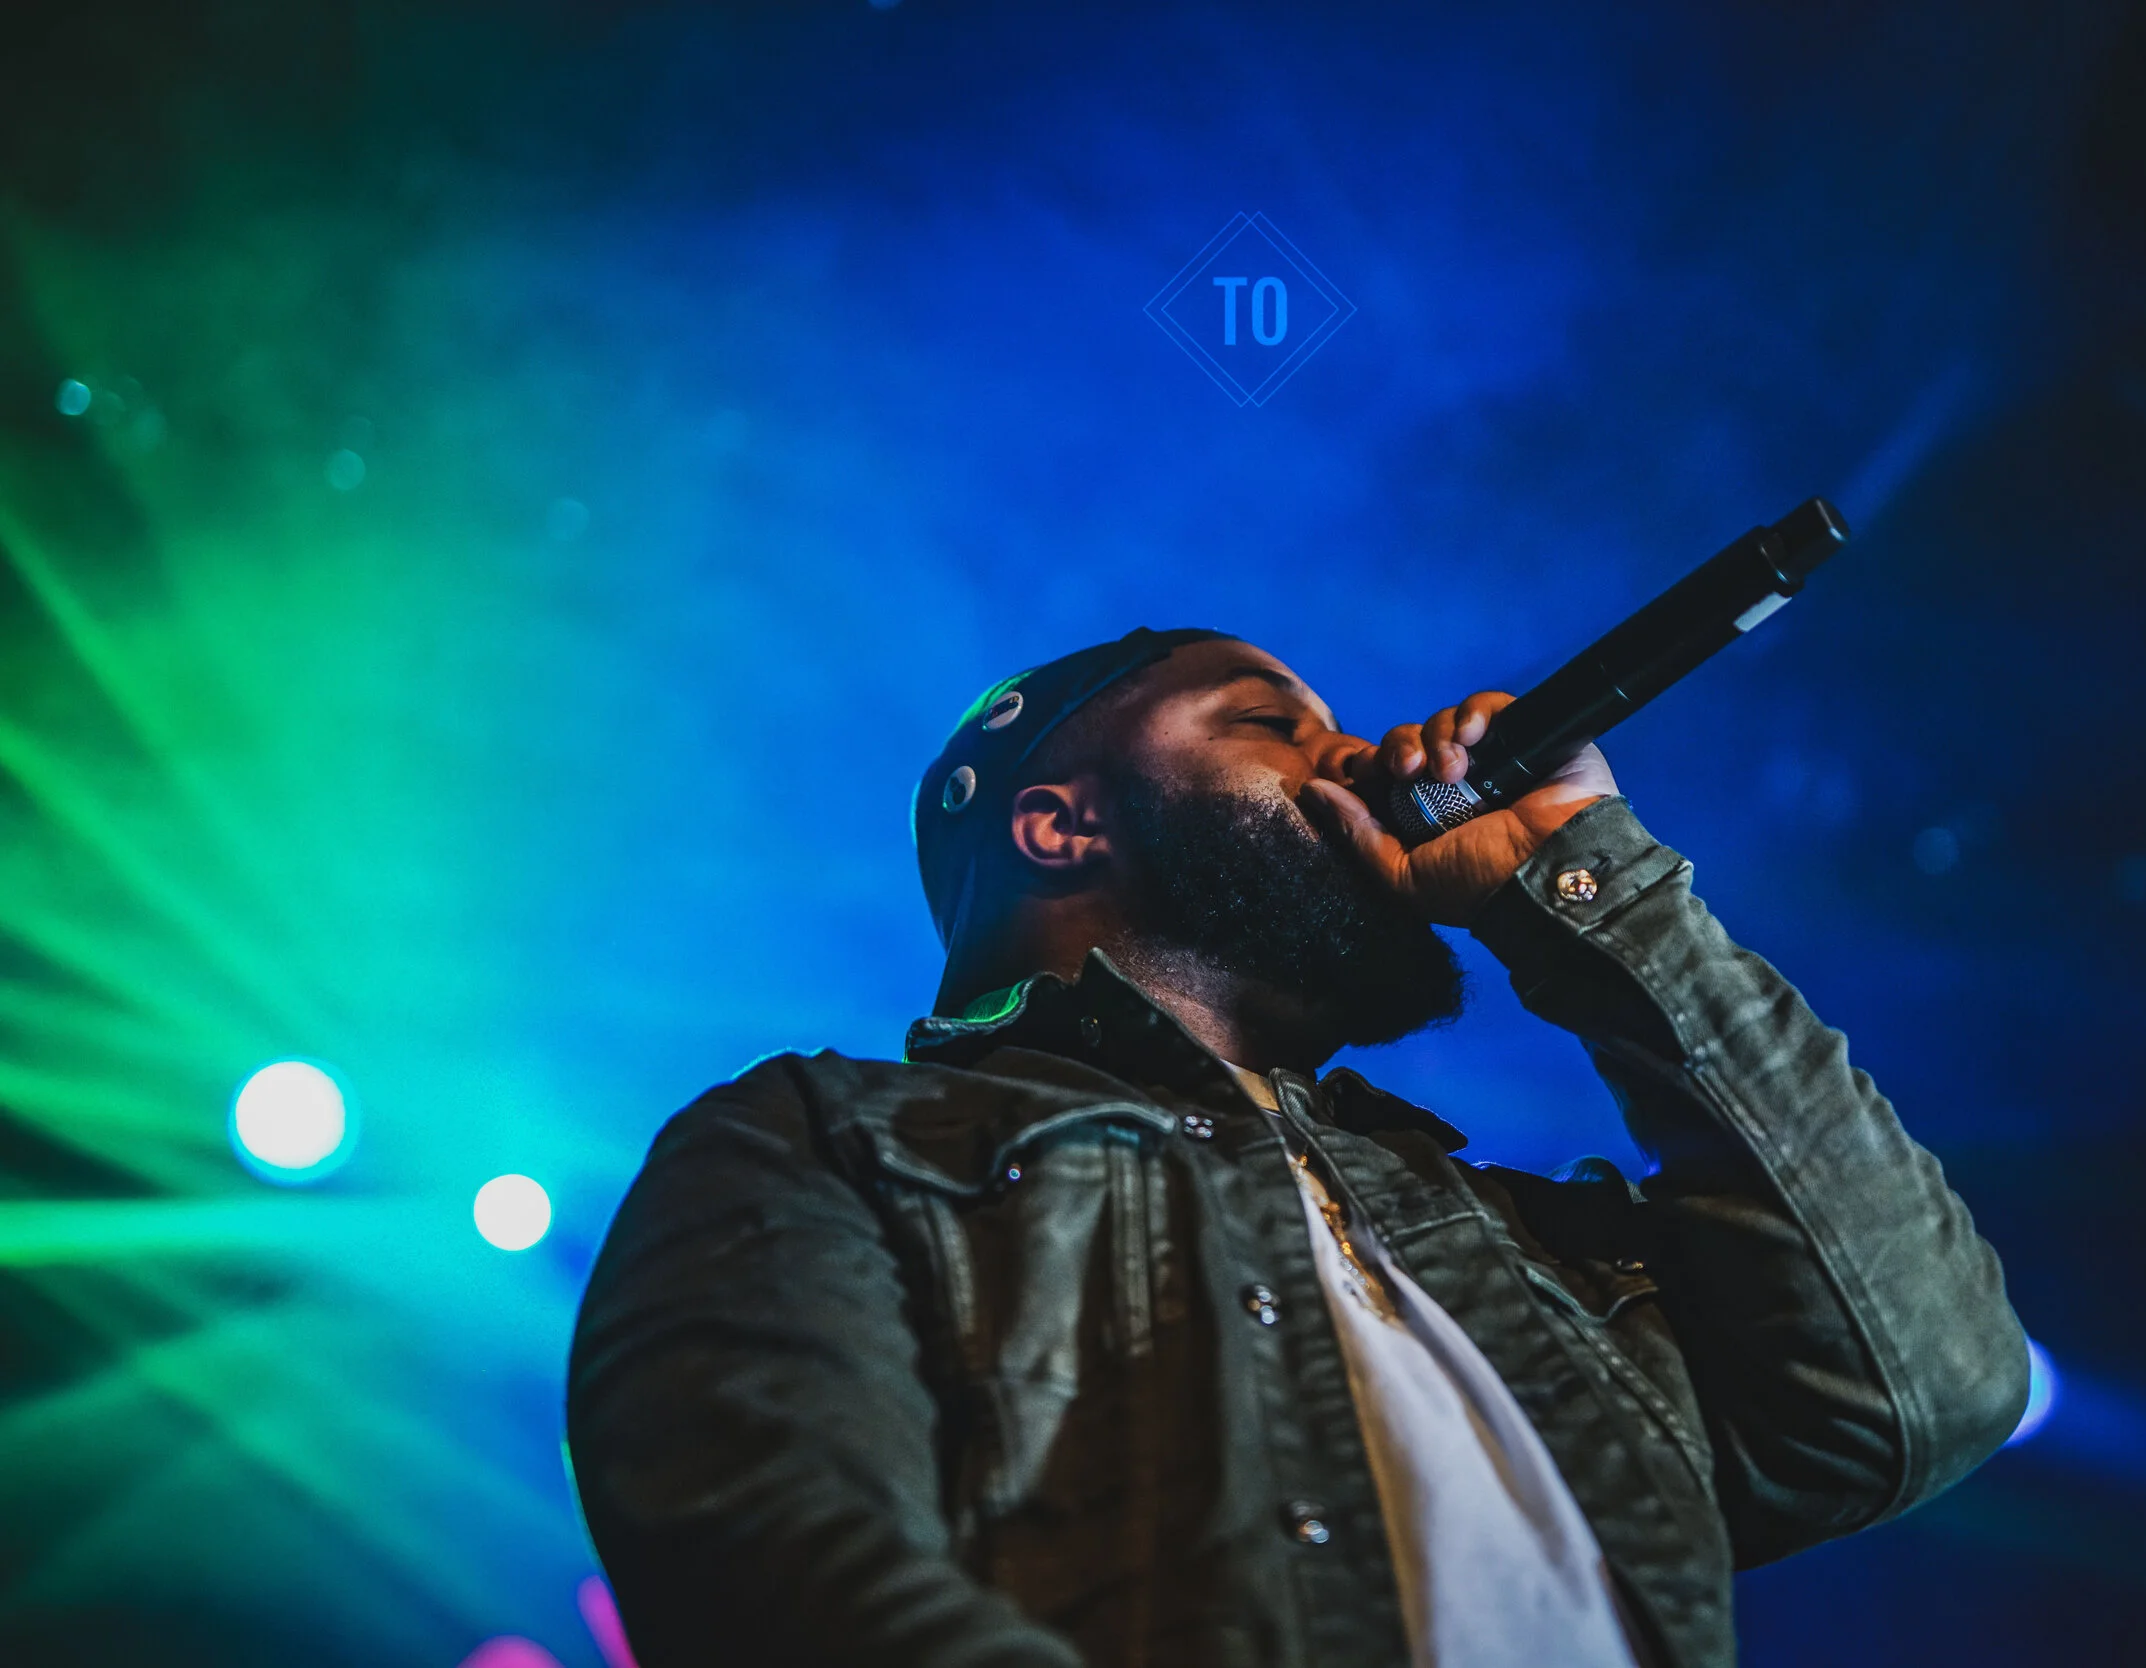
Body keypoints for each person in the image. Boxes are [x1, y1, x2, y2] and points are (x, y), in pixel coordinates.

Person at [567, 626, 2031, 1668]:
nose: (1358, 760)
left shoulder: (1505, 1245)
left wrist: (1585, 881)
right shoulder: (825, 1146)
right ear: (1062, 825)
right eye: (1274, 723)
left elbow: (1922, 1388)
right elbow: (772, 1562)